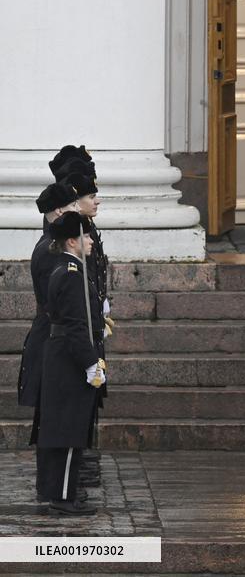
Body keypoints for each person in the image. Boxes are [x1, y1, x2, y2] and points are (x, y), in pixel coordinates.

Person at [36, 211, 106, 515]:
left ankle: (56, 491)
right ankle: (63, 496)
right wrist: (91, 364)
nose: (91, 241)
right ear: (71, 241)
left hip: (60, 355)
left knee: (62, 426)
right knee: (69, 428)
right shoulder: (72, 274)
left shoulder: (65, 269)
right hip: (69, 359)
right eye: (86, 236)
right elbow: (77, 327)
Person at [20, 181, 79, 502]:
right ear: (58, 212)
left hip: (56, 336)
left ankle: (56, 486)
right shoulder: (50, 251)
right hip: (52, 340)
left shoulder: (54, 246)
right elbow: (57, 302)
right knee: (53, 421)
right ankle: (53, 489)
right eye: (71, 207)